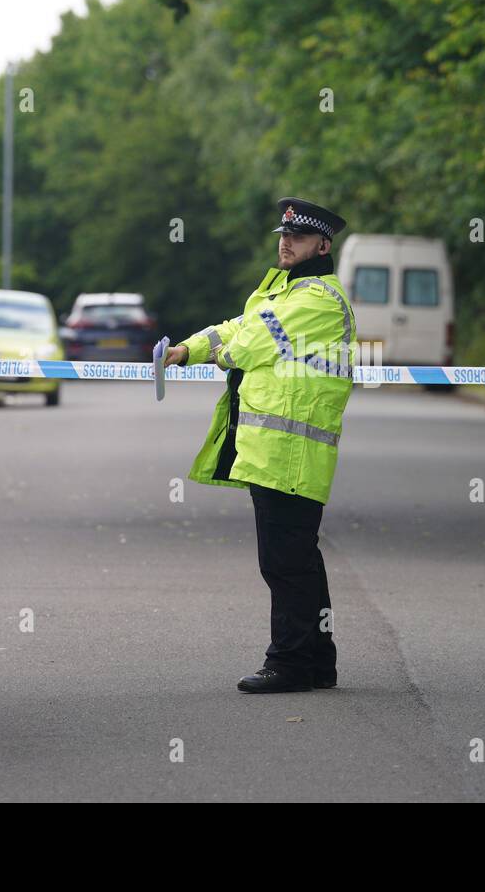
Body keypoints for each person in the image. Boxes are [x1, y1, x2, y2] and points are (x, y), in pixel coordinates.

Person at [163, 197, 355, 693]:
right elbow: (237, 327)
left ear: (322, 245)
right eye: (282, 236)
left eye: (296, 237)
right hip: (276, 452)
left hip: (291, 454)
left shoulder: (317, 299)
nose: (285, 242)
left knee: (285, 562)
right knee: (299, 559)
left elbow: (251, 341)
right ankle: (316, 661)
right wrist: (189, 349)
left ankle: (289, 663)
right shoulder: (285, 291)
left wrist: (222, 354)